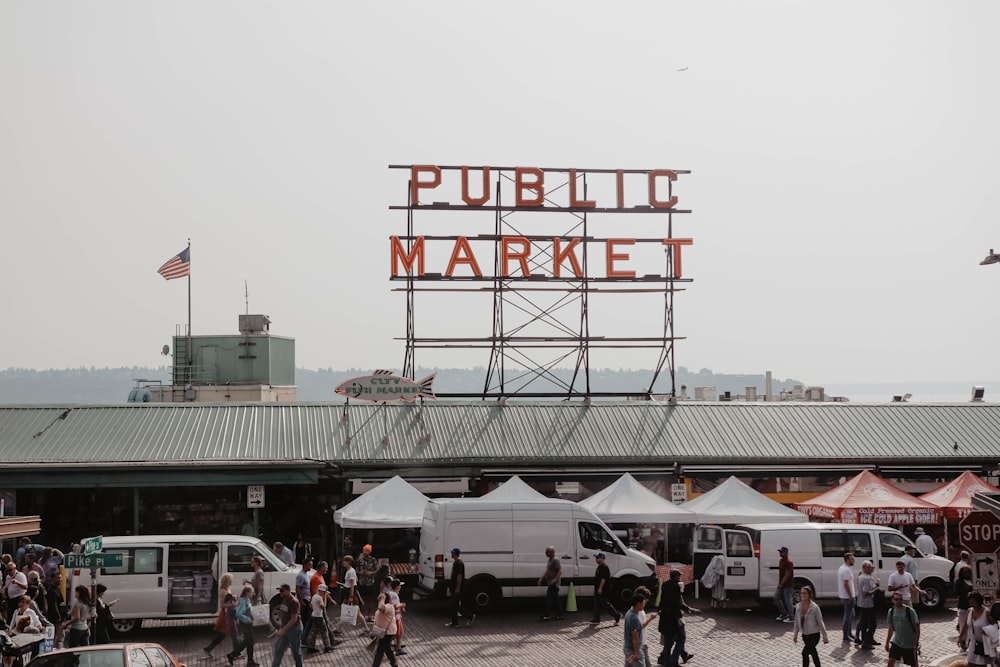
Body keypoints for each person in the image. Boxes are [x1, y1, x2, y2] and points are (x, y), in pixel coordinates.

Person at [657, 570, 693, 666]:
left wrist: (659, 609)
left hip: (665, 616)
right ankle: (673, 660)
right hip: (674, 617)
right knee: (681, 638)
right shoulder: (676, 586)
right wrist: (687, 609)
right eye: (679, 576)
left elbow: (662, 599)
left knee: (668, 640)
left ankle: (665, 660)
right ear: (676, 577)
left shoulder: (665, 585)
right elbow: (677, 602)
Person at [792, 586, 828, 667]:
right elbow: (797, 622)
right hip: (805, 635)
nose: (802, 595)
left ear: (809, 595)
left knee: (804, 653)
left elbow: (820, 622)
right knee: (813, 652)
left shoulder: (814, 607)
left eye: (805, 593)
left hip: (814, 635)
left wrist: (825, 637)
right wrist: (795, 635)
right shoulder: (798, 607)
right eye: (801, 593)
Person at [269, 583, 303, 667]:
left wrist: (283, 630)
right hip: (286, 629)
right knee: (279, 649)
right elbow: (283, 615)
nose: (280, 593)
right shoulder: (284, 600)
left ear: (288, 591)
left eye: (282, 591)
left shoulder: (293, 602)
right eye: (279, 591)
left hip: (294, 629)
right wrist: (281, 628)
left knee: (296, 652)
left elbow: (294, 619)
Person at [885, 591, 920, 667]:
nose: (899, 601)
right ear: (892, 600)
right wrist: (887, 642)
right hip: (896, 642)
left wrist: (915, 643)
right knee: (890, 662)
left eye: (900, 599)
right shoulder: (891, 612)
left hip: (909, 644)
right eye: (896, 599)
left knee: (914, 664)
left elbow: (917, 628)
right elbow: (891, 628)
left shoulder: (909, 611)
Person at [228, 585, 260, 667]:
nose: (253, 593)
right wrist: (248, 619)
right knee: (250, 641)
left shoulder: (247, 600)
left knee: (248, 642)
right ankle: (248, 661)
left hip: (247, 624)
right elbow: (238, 614)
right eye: (252, 592)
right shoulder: (243, 601)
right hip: (244, 624)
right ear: (247, 593)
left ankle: (247, 660)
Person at [205, 573, 234, 654]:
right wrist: (231, 604)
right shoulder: (223, 591)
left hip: (229, 613)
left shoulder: (227, 589)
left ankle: (209, 648)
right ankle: (209, 648)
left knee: (228, 633)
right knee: (224, 633)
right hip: (226, 614)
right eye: (230, 580)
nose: (231, 582)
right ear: (227, 581)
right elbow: (222, 605)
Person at [959, 591, 990, 666]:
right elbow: (966, 625)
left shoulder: (987, 612)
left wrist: (987, 630)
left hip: (983, 645)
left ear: (978, 601)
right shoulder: (970, 611)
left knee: (981, 665)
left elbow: (995, 626)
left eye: (972, 602)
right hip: (973, 643)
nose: (971, 604)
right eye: (970, 602)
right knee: (970, 663)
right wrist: (960, 638)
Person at [446, 548, 475, 627]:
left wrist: (458, 588)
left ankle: (469, 616)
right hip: (454, 587)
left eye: (452, 553)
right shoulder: (456, 563)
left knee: (453, 604)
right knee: (454, 605)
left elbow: (459, 576)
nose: (451, 554)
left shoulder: (459, 563)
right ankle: (455, 622)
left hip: (457, 587)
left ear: (455, 554)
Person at [369, 591, 399, 667]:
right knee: (387, 649)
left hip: (388, 632)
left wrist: (382, 598)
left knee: (380, 651)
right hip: (382, 632)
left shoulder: (389, 606)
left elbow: (381, 608)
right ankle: (394, 663)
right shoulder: (384, 606)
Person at [591, 552, 621, 624]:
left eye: (598, 558)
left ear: (602, 558)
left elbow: (603, 579)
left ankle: (617, 615)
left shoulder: (604, 567)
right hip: (598, 588)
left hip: (604, 589)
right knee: (596, 603)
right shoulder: (600, 567)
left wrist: (600, 588)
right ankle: (596, 618)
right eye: (596, 558)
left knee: (606, 603)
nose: (596, 559)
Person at [856, 560, 879, 649]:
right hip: (867, 604)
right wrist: (876, 589)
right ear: (865, 568)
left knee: (864, 623)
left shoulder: (862, 577)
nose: (872, 568)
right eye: (870, 567)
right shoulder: (866, 578)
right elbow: (866, 592)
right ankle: (867, 641)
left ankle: (867, 639)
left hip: (862, 603)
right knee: (872, 624)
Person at [304, 584, 334, 653]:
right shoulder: (319, 598)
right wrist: (325, 599)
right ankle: (327, 647)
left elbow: (311, 606)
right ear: (322, 591)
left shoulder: (314, 596)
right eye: (324, 593)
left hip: (314, 615)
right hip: (319, 616)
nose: (324, 594)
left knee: (314, 631)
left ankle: (310, 646)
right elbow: (323, 606)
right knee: (324, 631)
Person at [538, 545, 563, 620]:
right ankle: (559, 614)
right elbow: (547, 570)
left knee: (549, 598)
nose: (546, 553)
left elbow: (560, 570)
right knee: (555, 599)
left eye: (547, 552)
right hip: (550, 582)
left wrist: (555, 579)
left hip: (554, 583)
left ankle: (546, 614)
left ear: (552, 552)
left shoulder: (555, 560)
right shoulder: (550, 560)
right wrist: (541, 578)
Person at [837, 552, 856, 642]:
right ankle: (846, 635)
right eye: (852, 559)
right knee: (848, 615)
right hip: (847, 596)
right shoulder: (846, 570)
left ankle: (849, 633)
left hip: (844, 596)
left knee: (851, 614)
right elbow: (846, 584)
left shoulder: (843, 568)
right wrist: (850, 596)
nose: (854, 560)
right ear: (847, 560)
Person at [295, 557, 314, 649]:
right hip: (304, 599)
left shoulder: (306, 574)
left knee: (307, 620)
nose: (311, 567)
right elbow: (298, 588)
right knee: (306, 620)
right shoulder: (301, 575)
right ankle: (303, 639)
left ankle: (304, 638)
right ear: (305, 565)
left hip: (307, 598)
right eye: (310, 565)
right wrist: (301, 600)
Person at [623, 593, 646, 666]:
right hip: (633, 649)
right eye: (643, 603)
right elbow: (635, 636)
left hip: (627, 647)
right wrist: (636, 653)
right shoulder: (634, 618)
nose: (644, 605)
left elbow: (638, 628)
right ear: (638, 604)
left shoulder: (629, 612)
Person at [356, 545, 379, 618]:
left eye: (366, 550)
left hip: (370, 582)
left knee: (370, 599)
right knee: (361, 599)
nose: (365, 552)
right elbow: (356, 570)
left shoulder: (373, 560)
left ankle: (369, 615)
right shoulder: (360, 560)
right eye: (364, 550)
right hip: (362, 582)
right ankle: (363, 615)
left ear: (369, 551)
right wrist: (361, 572)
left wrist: (371, 573)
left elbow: (377, 569)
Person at [776, 546, 795, 623]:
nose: (780, 553)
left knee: (788, 601)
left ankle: (791, 617)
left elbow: (787, 574)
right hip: (782, 584)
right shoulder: (781, 561)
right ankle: (784, 614)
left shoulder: (789, 562)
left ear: (786, 553)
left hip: (788, 585)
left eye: (781, 552)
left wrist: (781, 583)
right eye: (780, 552)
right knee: (777, 597)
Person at [388, 578, 406, 656]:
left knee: (399, 633)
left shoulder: (391, 593)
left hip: (396, 616)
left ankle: (398, 648)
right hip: (396, 617)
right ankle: (383, 644)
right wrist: (402, 605)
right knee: (396, 633)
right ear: (397, 586)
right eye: (399, 586)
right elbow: (395, 606)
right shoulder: (394, 595)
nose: (400, 587)